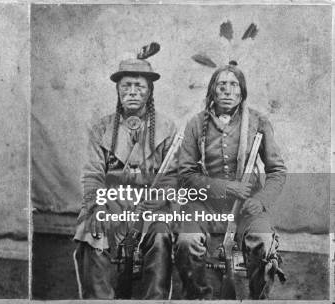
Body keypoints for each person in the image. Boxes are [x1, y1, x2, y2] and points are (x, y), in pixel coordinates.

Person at [175, 61, 287, 299]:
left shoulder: (258, 122)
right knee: (186, 242)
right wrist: (225, 187)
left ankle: (258, 299)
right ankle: (198, 298)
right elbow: (185, 175)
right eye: (221, 85)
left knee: (263, 242)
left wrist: (261, 200)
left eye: (234, 85)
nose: (227, 91)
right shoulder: (196, 124)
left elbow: (277, 171)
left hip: (248, 206)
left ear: (242, 91)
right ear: (212, 90)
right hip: (203, 204)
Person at [73, 54, 179, 299]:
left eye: (139, 86)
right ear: (118, 90)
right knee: (92, 232)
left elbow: (173, 176)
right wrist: (97, 205)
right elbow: (92, 174)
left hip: (151, 206)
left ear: (149, 92)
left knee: (161, 236)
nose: (132, 92)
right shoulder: (102, 128)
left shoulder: (167, 128)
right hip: (111, 204)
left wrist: (161, 198)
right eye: (126, 86)